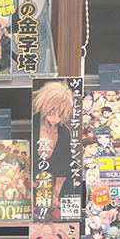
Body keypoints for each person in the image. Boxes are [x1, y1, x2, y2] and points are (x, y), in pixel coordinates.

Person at [32, 80, 75, 221]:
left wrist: (56, 192)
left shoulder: (64, 132)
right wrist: (37, 187)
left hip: (56, 188)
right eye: (52, 113)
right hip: (32, 187)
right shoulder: (32, 125)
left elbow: (65, 164)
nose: (55, 119)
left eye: (60, 115)